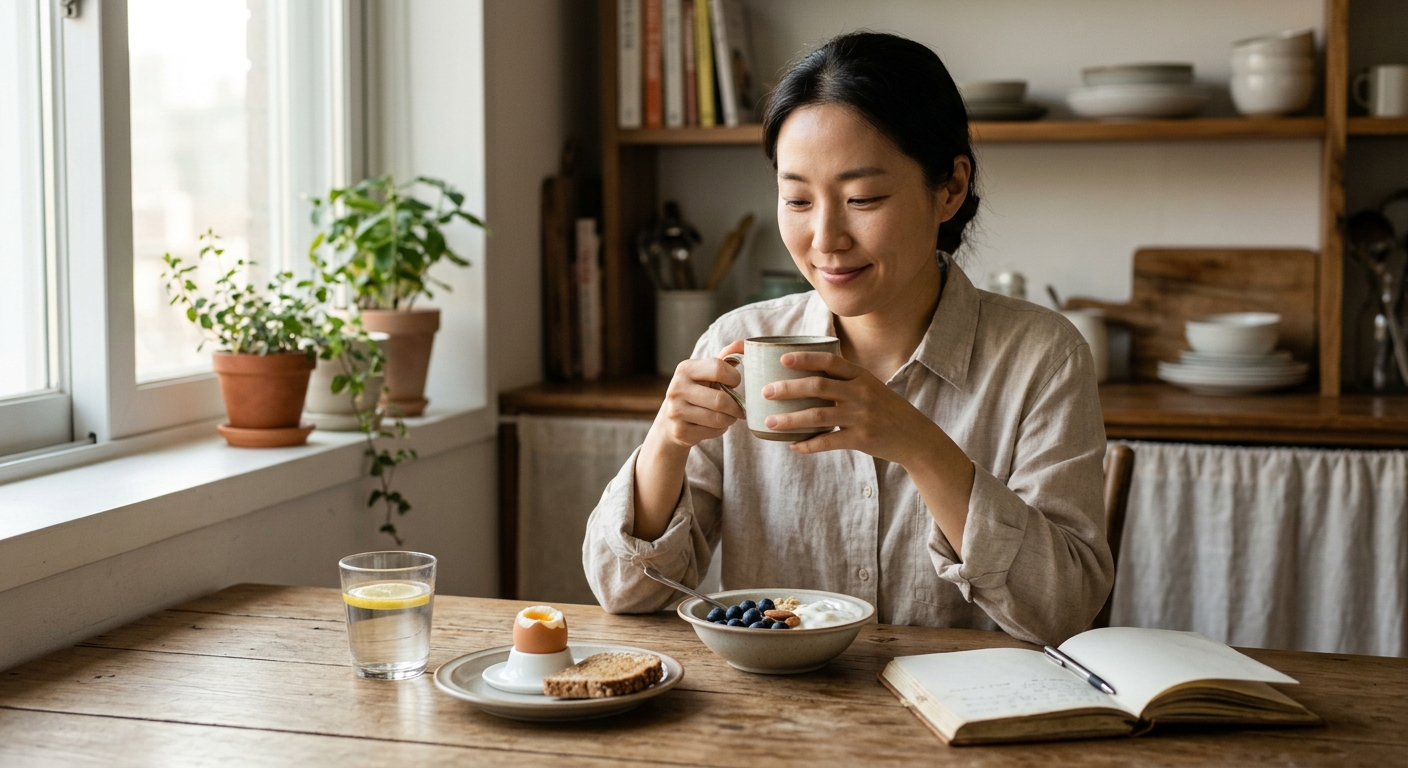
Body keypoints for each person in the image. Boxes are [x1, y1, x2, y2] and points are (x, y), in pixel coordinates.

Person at [583, 31, 1112, 645]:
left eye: (863, 198)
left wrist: (920, 445)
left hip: (967, 721)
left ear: (950, 188)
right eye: (797, 199)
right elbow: (626, 593)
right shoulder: (741, 341)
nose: (825, 237)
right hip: (775, 722)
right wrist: (666, 445)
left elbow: (1064, 612)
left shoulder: (1042, 357)